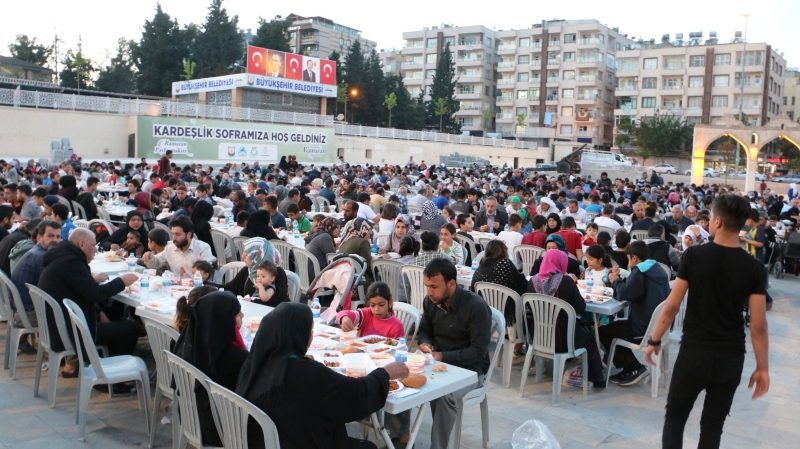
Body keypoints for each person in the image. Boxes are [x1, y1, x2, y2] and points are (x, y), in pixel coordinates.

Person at [645, 194, 769, 448]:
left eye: (710, 217)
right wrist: (762, 367)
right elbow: (758, 325)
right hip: (730, 357)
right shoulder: (754, 267)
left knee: (675, 419)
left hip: (694, 354)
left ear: (719, 222)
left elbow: (672, 305)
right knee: (712, 428)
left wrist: (654, 339)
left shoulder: (694, 256)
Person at [237, 302, 407, 449]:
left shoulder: (256, 363)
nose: (310, 336)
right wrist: (385, 373)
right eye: (309, 330)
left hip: (260, 441)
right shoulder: (307, 373)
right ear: (298, 335)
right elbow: (355, 395)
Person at [38, 228, 139, 379]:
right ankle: (109, 379)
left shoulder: (64, 256)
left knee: (114, 312)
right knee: (130, 329)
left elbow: (83, 290)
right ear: (81, 245)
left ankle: (102, 362)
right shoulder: (71, 262)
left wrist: (100, 311)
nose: (96, 249)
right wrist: (121, 281)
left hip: (57, 322)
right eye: (93, 245)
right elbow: (95, 294)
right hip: (67, 331)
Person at [417, 259, 492, 449]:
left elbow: (478, 352)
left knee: (444, 395)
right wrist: (425, 342)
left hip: (472, 369)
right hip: (440, 363)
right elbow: (425, 329)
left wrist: (441, 356)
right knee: (400, 376)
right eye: (427, 286)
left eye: (434, 287)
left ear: (451, 284)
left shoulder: (475, 306)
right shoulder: (431, 301)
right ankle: (399, 438)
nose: (429, 292)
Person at [172, 291, 248, 447]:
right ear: (224, 320)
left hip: (189, 418)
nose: (242, 315)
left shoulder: (186, 343)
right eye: (237, 313)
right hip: (221, 430)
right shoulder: (235, 357)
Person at [529, 249, 606, 387]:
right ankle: (597, 380)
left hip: (538, 337)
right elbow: (580, 308)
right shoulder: (565, 281)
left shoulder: (532, 281)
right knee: (590, 340)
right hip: (563, 339)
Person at [601, 241, 670, 386]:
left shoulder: (640, 271)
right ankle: (630, 367)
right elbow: (636, 289)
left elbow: (624, 293)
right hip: (659, 327)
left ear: (634, 258)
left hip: (643, 329)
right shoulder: (657, 268)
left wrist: (615, 281)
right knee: (615, 326)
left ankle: (633, 368)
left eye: (628, 259)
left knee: (604, 332)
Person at [470, 240, 528, 354]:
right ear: (503, 251)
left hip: (485, 311)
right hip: (506, 312)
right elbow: (522, 286)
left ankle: (518, 347)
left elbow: (473, 291)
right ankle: (522, 347)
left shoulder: (481, 267)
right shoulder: (506, 264)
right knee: (529, 309)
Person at [142, 216, 216, 275]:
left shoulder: (203, 248)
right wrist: (149, 257)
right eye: (173, 234)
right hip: (175, 288)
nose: (174, 238)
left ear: (189, 234)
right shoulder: (170, 247)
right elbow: (156, 263)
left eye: (178, 234)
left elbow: (205, 273)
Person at [217, 237, 286, 299]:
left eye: (247, 254)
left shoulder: (276, 272)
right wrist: (207, 284)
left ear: (257, 257)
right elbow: (229, 288)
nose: (242, 256)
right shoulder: (248, 270)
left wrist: (252, 301)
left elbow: (280, 300)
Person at [338, 218, 375, 286]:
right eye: (368, 229)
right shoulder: (362, 242)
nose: (371, 232)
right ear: (362, 228)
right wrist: (380, 262)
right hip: (359, 282)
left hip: (343, 280)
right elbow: (369, 268)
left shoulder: (345, 241)